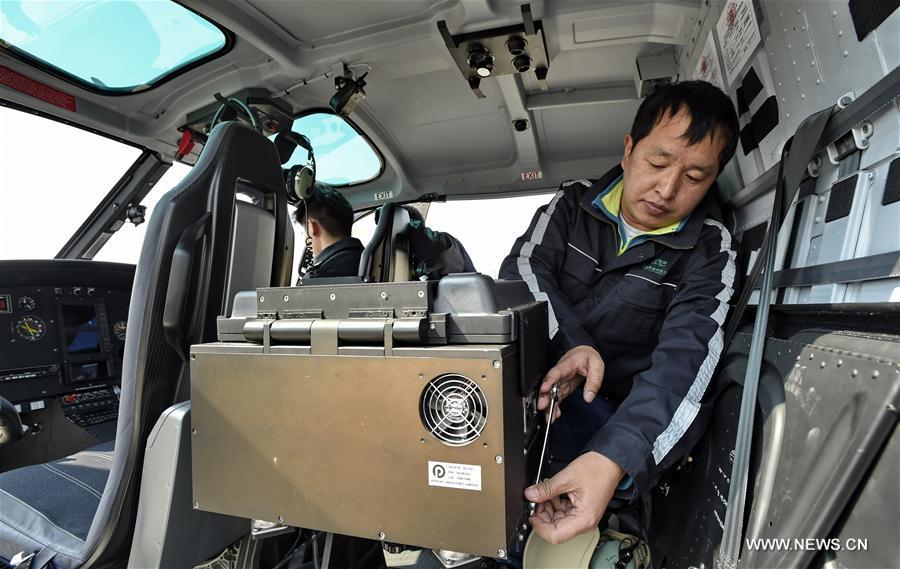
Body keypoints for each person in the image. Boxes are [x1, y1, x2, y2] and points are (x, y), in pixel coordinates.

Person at [499, 80, 739, 546]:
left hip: (614, 425)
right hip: (534, 398)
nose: (667, 189)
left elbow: (683, 369)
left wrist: (612, 460)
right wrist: (572, 346)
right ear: (629, 149)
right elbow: (521, 273)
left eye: (694, 178)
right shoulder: (571, 204)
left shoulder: (710, 251)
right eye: (658, 162)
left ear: (712, 181)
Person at [294, 182, 364, 280]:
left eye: (303, 232)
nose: (305, 238)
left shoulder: (318, 276)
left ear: (311, 228)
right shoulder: (365, 259)